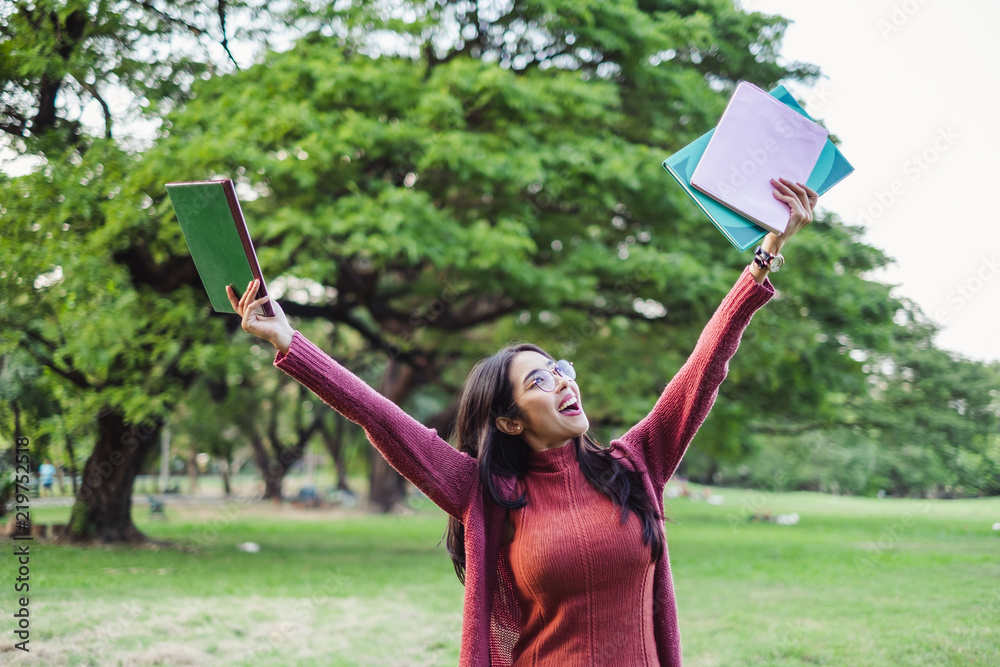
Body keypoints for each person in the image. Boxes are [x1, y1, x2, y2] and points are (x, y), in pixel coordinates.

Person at [227, 178, 818, 666]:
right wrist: (289, 342)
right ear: (509, 422)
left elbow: (701, 369)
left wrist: (762, 260)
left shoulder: (636, 465)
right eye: (538, 381)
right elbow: (382, 417)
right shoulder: (484, 493)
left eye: (560, 368)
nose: (563, 380)